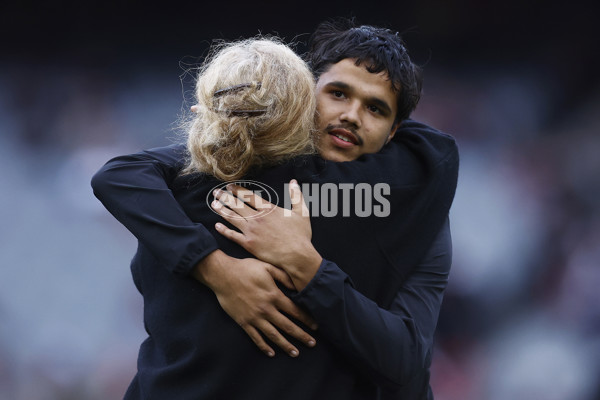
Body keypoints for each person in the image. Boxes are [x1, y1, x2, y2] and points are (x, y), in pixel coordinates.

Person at [92, 19, 458, 400]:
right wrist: (218, 270)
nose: (351, 114)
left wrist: (307, 267)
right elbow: (117, 174)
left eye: (376, 109)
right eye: (337, 93)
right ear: (303, 92)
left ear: (395, 130)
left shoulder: (412, 208)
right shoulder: (213, 171)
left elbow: (408, 366)